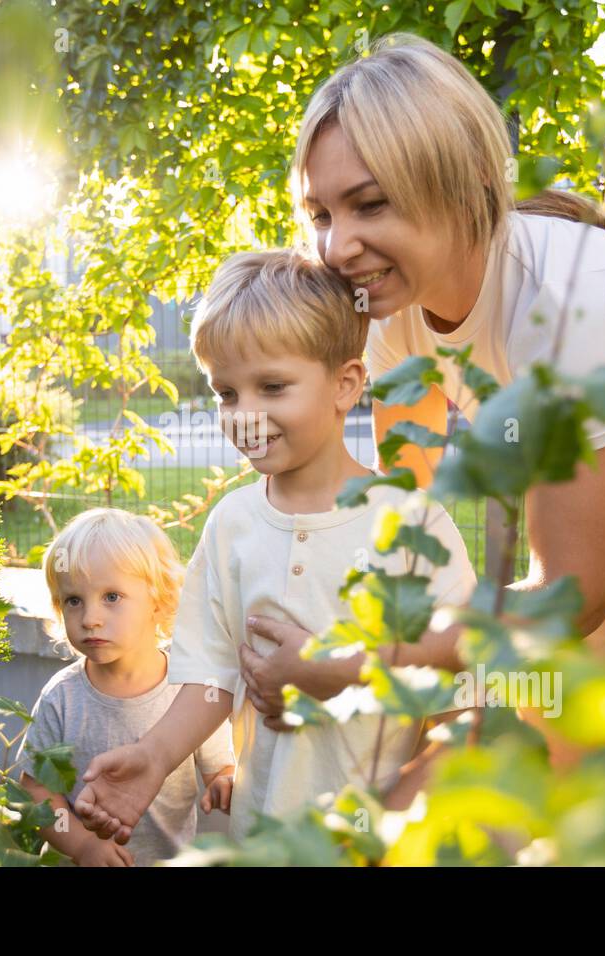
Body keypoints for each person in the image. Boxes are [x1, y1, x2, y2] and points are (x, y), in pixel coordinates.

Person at [239, 32, 605, 821]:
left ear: (455, 187)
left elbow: (566, 599)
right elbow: (403, 521)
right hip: (595, 530)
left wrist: (350, 668)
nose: (336, 246)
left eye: (370, 203)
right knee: (564, 800)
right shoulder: (386, 312)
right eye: (321, 212)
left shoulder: (570, 302)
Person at [71, 249, 477, 845]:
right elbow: (211, 676)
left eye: (272, 387)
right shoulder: (232, 523)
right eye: (226, 394)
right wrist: (154, 758)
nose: (245, 417)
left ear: (345, 384)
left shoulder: (414, 525)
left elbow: (464, 697)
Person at [12, 507, 235, 866]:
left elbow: (219, 766)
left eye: (111, 597)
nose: (90, 619)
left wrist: (224, 782)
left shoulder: (188, 695)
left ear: (159, 600)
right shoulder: (62, 697)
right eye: (74, 601)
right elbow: (36, 789)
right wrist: (83, 845)